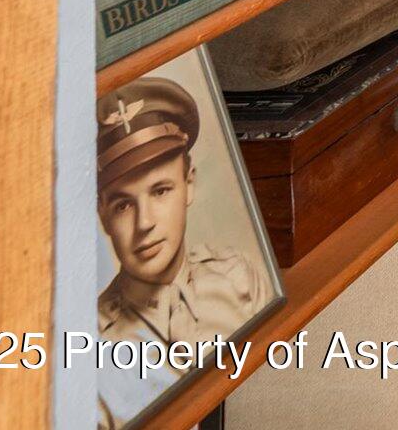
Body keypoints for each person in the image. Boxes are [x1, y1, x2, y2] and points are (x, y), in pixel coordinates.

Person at [96, 78, 270, 351]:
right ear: (103, 215)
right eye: (123, 206)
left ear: (189, 185)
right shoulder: (93, 337)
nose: (145, 223)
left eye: (160, 191)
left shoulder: (238, 279)